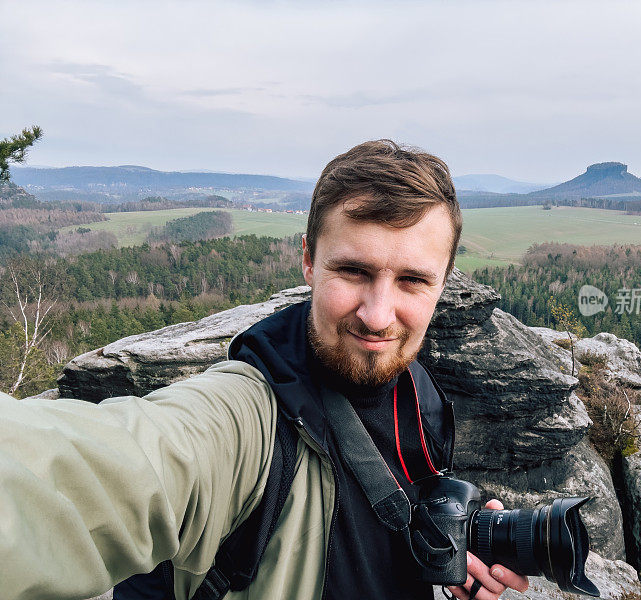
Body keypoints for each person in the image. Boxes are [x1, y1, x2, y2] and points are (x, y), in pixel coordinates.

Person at [0, 140, 529, 600]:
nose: (377, 314)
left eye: (413, 280)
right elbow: (116, 466)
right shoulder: (246, 417)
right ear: (307, 259)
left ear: (444, 283)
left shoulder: (421, 400)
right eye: (352, 270)